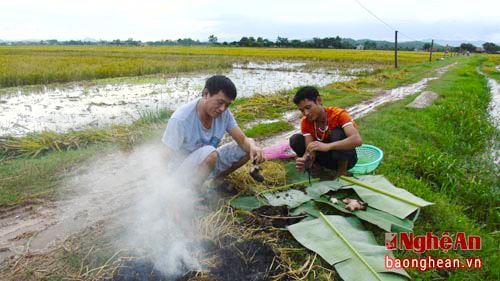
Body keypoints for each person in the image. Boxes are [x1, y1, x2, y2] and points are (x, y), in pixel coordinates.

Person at [162, 75, 264, 187]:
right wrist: (165, 187)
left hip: (208, 163)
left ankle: (214, 183)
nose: (222, 109)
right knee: (211, 153)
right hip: (182, 172)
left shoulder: (224, 114)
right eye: (220, 102)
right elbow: (165, 157)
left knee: (248, 146)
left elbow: (243, 140)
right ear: (206, 94)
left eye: (227, 105)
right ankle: (192, 193)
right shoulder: (181, 119)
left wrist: (253, 147)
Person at [289, 86, 362, 178]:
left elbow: (357, 140)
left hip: (346, 159)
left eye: (308, 107)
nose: (306, 113)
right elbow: (310, 148)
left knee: (337, 133)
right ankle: (318, 169)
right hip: (326, 159)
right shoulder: (305, 121)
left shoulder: (338, 115)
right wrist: (304, 159)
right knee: (296, 139)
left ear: (318, 100)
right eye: (302, 110)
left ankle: (342, 172)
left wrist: (327, 146)